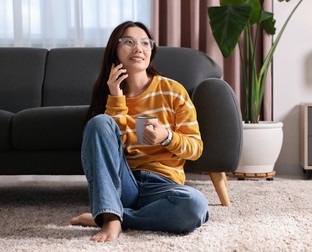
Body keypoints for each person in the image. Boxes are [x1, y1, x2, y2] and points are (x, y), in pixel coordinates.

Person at [69, 21, 209, 242]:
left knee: (195, 205)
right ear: (114, 50)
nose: (138, 48)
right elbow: (109, 149)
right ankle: (111, 218)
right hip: (124, 184)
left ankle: (114, 215)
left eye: (145, 43)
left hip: (164, 185)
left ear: (151, 51)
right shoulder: (107, 94)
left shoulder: (173, 91)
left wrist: (167, 137)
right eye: (129, 42)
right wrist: (115, 97)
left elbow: (196, 149)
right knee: (99, 122)